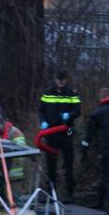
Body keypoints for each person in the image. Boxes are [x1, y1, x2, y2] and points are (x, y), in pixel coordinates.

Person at [39, 71, 81, 202]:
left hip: (67, 130)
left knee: (68, 161)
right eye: (58, 79)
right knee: (50, 162)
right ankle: (51, 193)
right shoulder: (47, 93)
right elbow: (41, 110)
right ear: (55, 79)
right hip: (51, 131)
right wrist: (42, 121)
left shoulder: (72, 94)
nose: (60, 82)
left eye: (62, 80)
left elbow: (78, 111)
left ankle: (70, 194)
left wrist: (70, 115)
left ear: (67, 80)